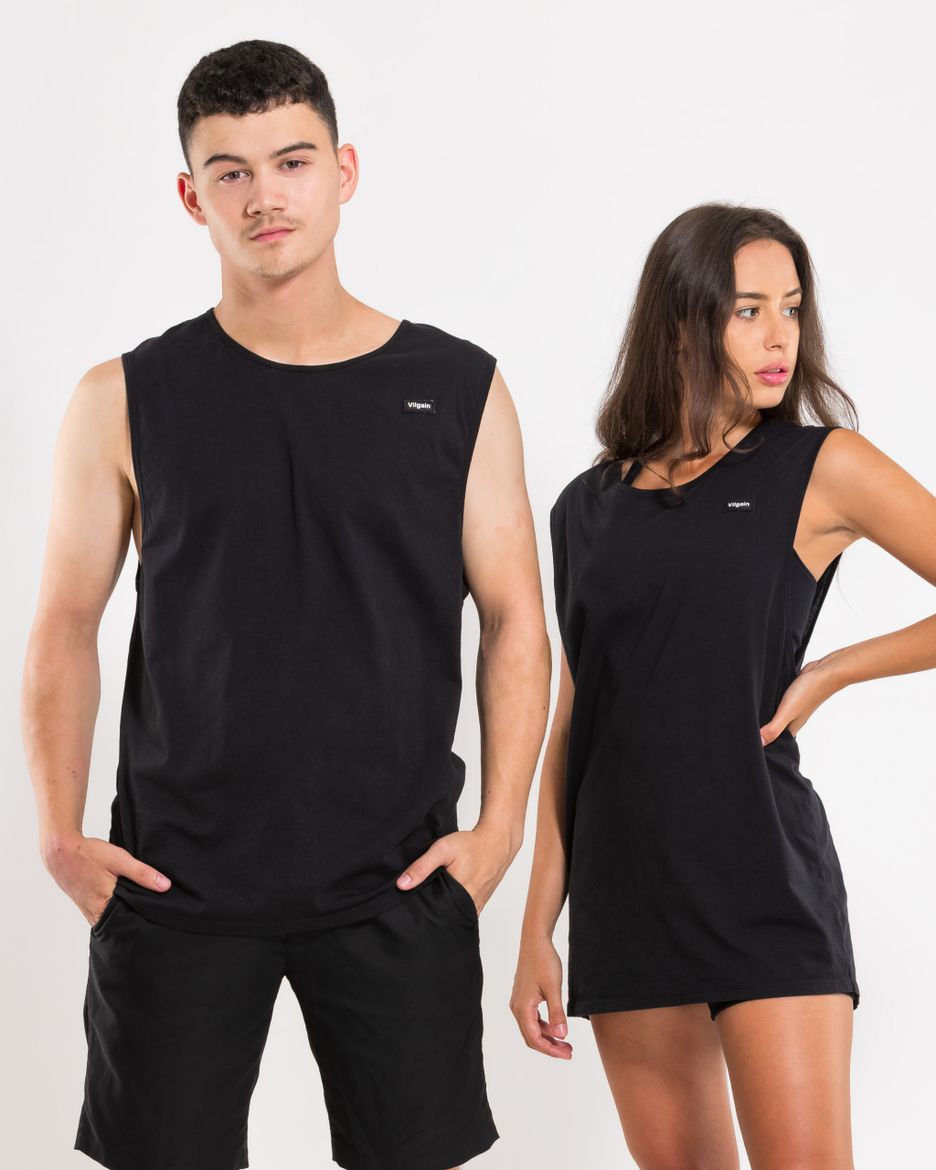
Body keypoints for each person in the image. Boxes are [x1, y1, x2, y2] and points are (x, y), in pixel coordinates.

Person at [21, 39, 550, 1170]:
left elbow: (515, 619)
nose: (265, 196)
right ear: (192, 196)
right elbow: (65, 621)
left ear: (344, 173)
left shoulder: (458, 388)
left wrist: (500, 830)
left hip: (399, 876)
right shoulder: (123, 397)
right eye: (232, 172)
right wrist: (62, 836)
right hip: (174, 881)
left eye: (292, 162)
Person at [510, 203, 936, 1169]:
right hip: (628, 898)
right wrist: (537, 926)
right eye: (749, 310)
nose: (781, 335)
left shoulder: (822, 466)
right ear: (680, 323)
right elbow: (577, 722)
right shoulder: (586, 507)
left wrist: (831, 671)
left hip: (763, 879)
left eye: (791, 307)